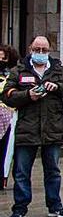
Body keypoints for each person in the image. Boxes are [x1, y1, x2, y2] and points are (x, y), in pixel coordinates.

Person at [3, 36, 63, 217]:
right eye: (37, 49)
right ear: (30, 48)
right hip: (27, 129)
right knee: (21, 171)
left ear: (49, 50)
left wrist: (58, 87)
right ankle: (20, 209)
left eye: (44, 50)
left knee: (53, 170)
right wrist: (27, 95)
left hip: (52, 128)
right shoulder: (19, 70)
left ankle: (55, 206)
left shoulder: (58, 69)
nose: (40, 53)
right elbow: (7, 95)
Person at [0, 43, 17, 191]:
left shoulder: (12, 74)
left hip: (7, 116)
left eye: (3, 59)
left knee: (5, 149)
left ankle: (2, 178)